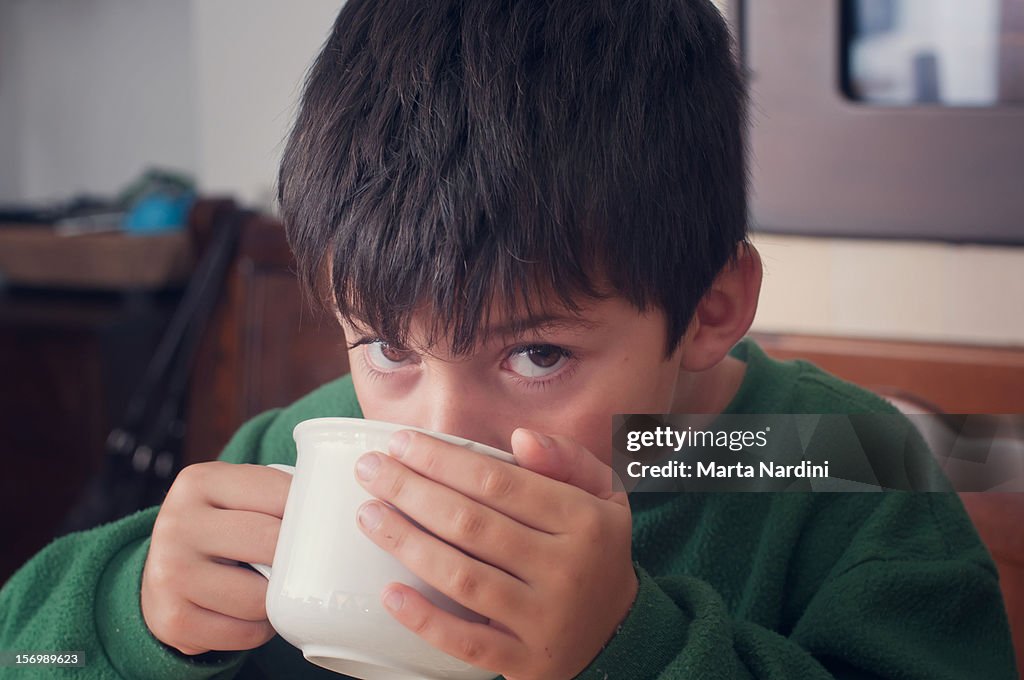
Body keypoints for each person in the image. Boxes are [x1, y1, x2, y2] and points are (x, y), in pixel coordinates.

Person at [0, 1, 1016, 678]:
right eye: (390, 347)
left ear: (710, 308)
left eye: (537, 355)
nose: (443, 435)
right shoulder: (299, 452)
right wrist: (132, 609)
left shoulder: (833, 466)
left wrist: (629, 645)